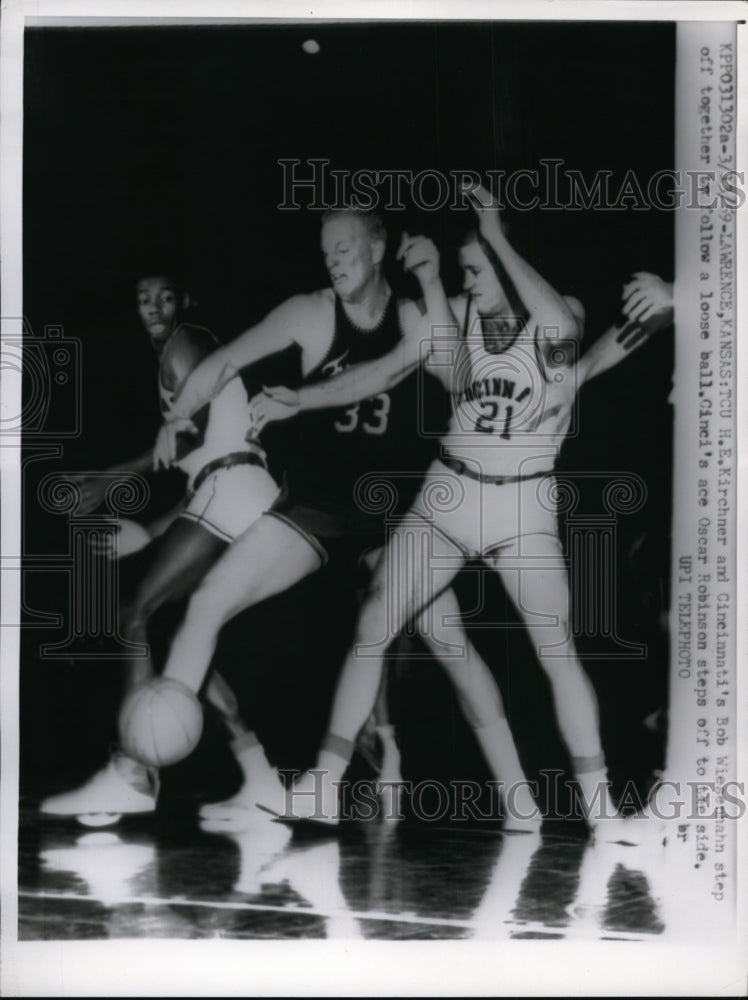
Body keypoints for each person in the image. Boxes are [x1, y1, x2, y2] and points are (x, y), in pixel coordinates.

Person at [252, 181, 674, 828]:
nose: (467, 279)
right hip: (449, 494)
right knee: (373, 626)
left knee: (555, 651)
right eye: (465, 269)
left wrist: (497, 234)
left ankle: (601, 811)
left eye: (478, 269)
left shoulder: (562, 315)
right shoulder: (454, 310)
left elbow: (561, 329)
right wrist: (299, 398)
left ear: (508, 264)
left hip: (522, 508)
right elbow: (388, 370)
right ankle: (323, 786)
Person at [151, 207, 539, 825]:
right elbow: (225, 360)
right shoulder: (309, 311)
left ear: (378, 248)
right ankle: (142, 766)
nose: (333, 260)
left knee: (448, 641)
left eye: (345, 248)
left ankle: (520, 798)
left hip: (395, 509)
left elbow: (450, 373)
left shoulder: (412, 313)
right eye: (326, 250)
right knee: (208, 601)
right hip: (320, 506)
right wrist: (179, 413)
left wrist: (435, 289)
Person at [41, 273, 280, 824]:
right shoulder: (175, 355)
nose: (152, 305)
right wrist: (150, 532)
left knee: (135, 615)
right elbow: (204, 468)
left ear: (185, 302)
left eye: (164, 295)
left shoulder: (186, 342)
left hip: (233, 487)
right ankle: (263, 779)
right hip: (234, 489)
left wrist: (109, 478)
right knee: (187, 635)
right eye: (143, 297)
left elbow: (190, 437)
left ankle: (132, 776)